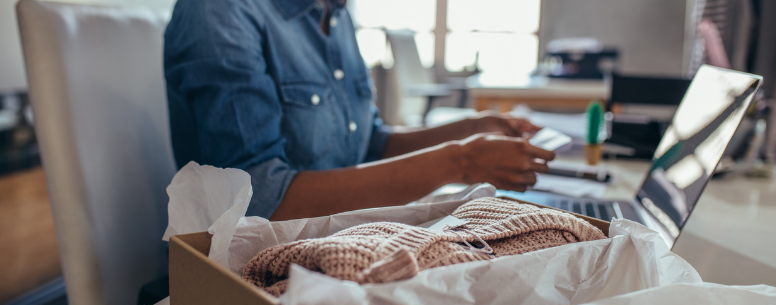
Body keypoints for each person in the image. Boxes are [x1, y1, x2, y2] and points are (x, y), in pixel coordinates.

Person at [163, 0, 555, 221]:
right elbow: (257, 200)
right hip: (239, 278)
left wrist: (469, 129)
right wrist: (461, 161)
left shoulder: (335, 14)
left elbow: (369, 143)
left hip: (337, 240)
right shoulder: (219, 12)